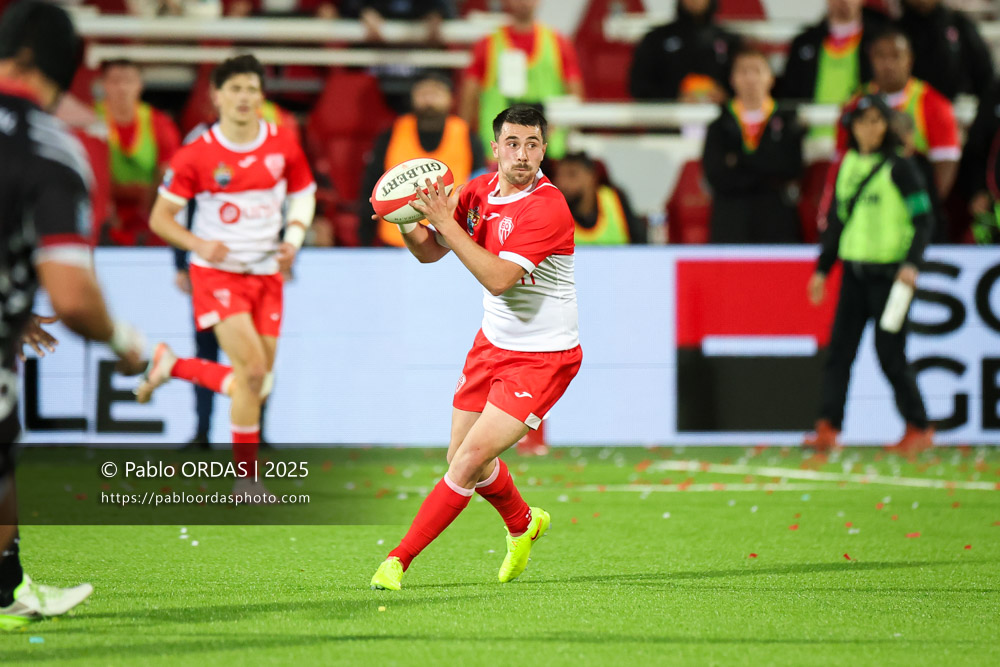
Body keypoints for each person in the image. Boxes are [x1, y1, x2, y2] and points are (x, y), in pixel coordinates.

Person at [369, 105, 581, 591]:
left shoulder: (547, 207)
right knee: (461, 457)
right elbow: (428, 251)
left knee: (467, 462)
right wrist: (406, 219)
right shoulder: (479, 190)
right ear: (496, 148)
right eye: (513, 143)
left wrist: (447, 222)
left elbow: (499, 279)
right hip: (492, 344)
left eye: (532, 144)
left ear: (544, 150)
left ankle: (397, 560)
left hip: (543, 358)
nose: (522, 155)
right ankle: (523, 522)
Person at [0, 0, 146, 628]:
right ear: (69, 69)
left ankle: (9, 591)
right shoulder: (52, 148)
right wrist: (123, 339)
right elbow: (74, 298)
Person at [135, 55, 316, 494]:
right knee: (252, 371)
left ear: (262, 96)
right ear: (216, 96)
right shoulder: (196, 153)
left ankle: (173, 365)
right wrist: (199, 246)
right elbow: (161, 219)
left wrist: (292, 238)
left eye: (252, 88)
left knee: (258, 381)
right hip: (217, 275)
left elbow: (304, 193)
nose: (244, 97)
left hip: (268, 274)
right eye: (234, 88)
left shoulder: (282, 142)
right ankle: (246, 482)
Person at [805, 94, 934, 453]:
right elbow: (838, 223)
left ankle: (918, 426)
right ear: (852, 127)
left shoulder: (902, 168)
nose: (870, 128)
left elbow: (924, 221)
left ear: (888, 126)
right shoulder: (847, 165)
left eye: (878, 121)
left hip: (892, 278)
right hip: (854, 275)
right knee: (839, 352)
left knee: (889, 352)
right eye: (863, 121)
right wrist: (822, 269)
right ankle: (828, 428)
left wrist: (912, 264)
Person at [832, 28, 958, 240]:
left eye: (896, 56)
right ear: (871, 59)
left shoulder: (934, 104)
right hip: (867, 215)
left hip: (915, 211)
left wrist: (919, 206)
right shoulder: (854, 106)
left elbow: (945, 167)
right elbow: (843, 164)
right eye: (881, 56)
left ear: (909, 59)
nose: (888, 64)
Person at [359, 72, 485, 246]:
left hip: (452, 242)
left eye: (437, 92)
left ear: (451, 99)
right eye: (423, 92)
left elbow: (481, 193)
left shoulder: (468, 136)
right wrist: (364, 239)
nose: (429, 99)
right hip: (396, 241)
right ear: (412, 98)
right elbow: (371, 185)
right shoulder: (391, 134)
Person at [703, 47, 804, 243]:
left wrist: (738, 160)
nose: (750, 78)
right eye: (743, 71)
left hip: (776, 221)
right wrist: (767, 165)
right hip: (730, 222)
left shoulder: (788, 121)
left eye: (756, 70)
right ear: (732, 79)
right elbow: (715, 174)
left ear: (771, 78)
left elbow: (791, 168)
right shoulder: (718, 125)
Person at [459, 0, 583, 159]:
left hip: (550, 153)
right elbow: (468, 98)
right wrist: (464, 141)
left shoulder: (560, 43)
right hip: (498, 154)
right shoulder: (486, 44)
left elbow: (574, 96)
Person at [95, 59, 181, 246]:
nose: (122, 88)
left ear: (140, 85)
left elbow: (169, 174)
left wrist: (150, 213)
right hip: (104, 207)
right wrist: (107, 208)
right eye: (115, 81)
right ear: (103, 85)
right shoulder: (90, 119)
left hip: (147, 207)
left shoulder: (160, 123)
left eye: (128, 81)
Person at [776, 0, 888, 111]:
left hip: (864, 125)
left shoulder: (880, 40)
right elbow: (788, 96)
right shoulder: (804, 42)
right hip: (812, 125)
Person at [628, 0, 742, 103]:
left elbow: (747, 84)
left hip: (722, 122)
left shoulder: (731, 41)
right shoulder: (656, 39)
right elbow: (639, 86)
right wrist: (674, 98)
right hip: (668, 121)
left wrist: (726, 96)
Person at [897, 0, 993, 101]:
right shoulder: (898, 32)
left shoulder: (958, 24)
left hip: (958, 106)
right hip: (913, 107)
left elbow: (985, 73)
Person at [554, 152, 646, 244]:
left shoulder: (615, 199)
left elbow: (640, 243)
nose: (562, 183)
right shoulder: (552, 211)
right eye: (559, 175)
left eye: (572, 175)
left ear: (591, 177)